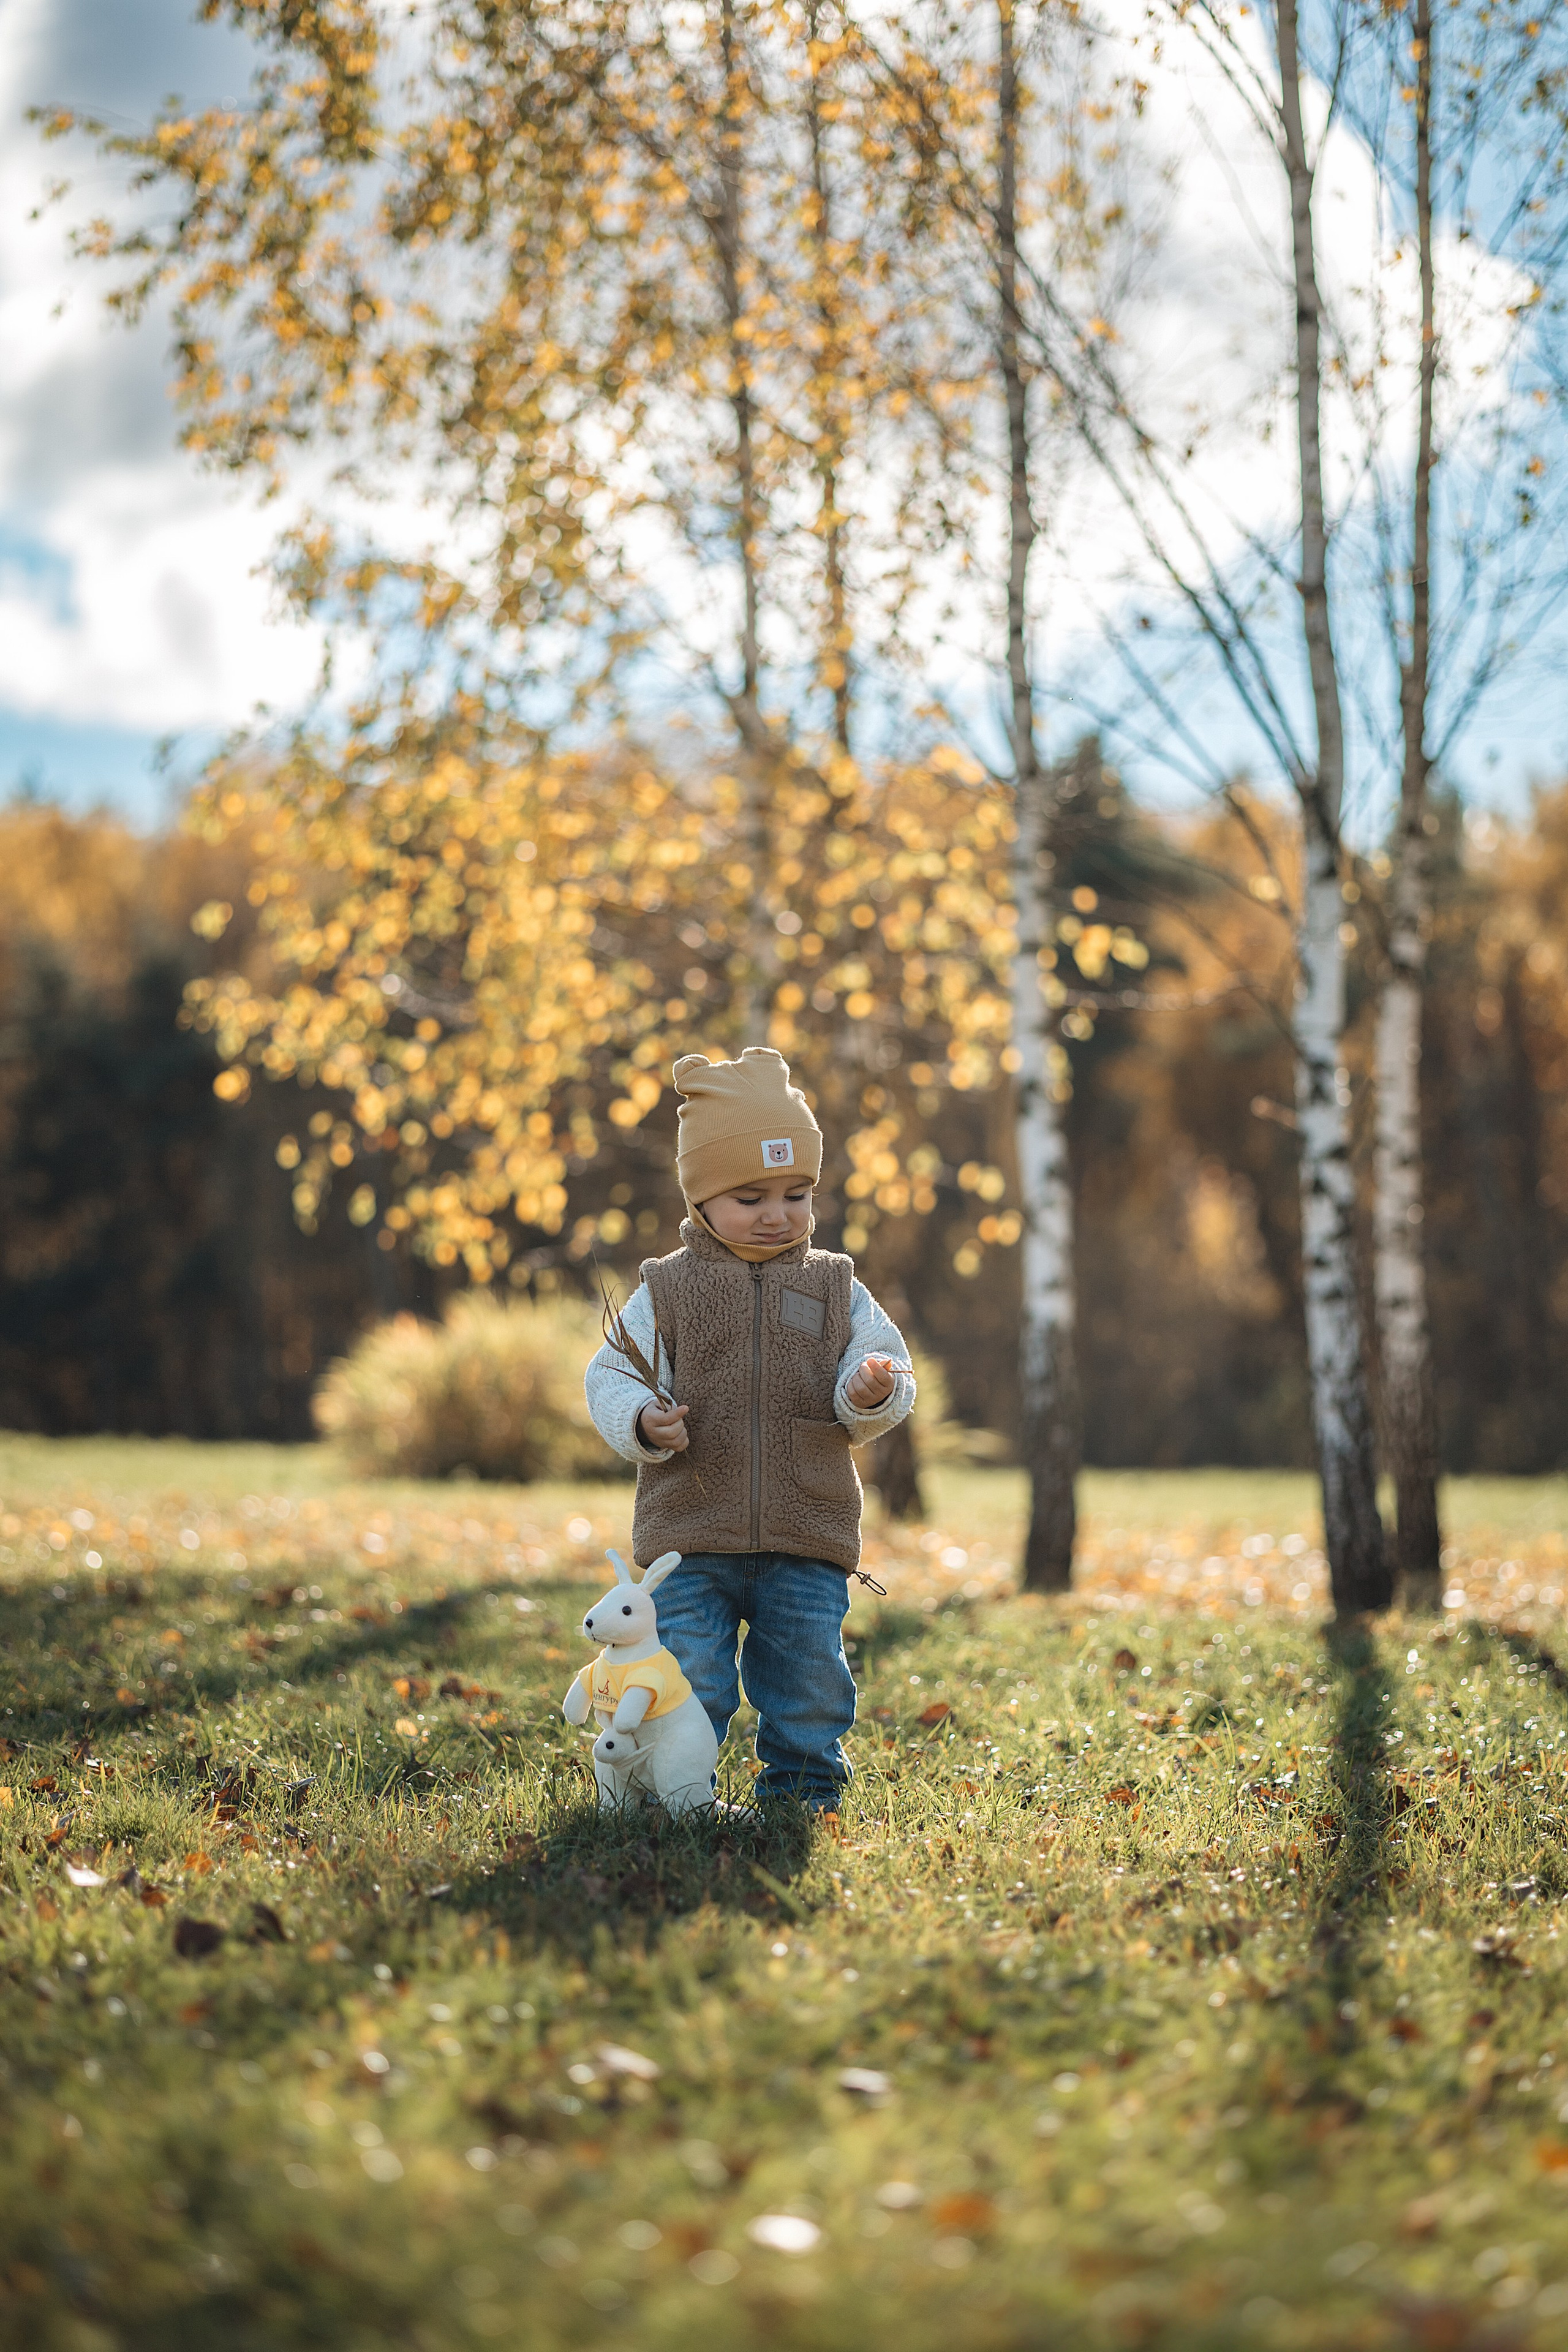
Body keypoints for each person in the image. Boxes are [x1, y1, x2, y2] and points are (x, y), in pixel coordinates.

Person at [584, 1047, 915, 1810]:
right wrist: (642, 1417)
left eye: (797, 1194)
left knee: (806, 1673)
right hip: (689, 1533)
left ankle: (802, 1790)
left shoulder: (835, 1285)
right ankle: (674, 1793)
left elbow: (883, 1360)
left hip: (806, 1527)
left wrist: (867, 1391)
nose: (778, 1215)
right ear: (700, 1199)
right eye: (751, 1197)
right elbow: (612, 1374)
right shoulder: (667, 1288)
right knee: (687, 1673)